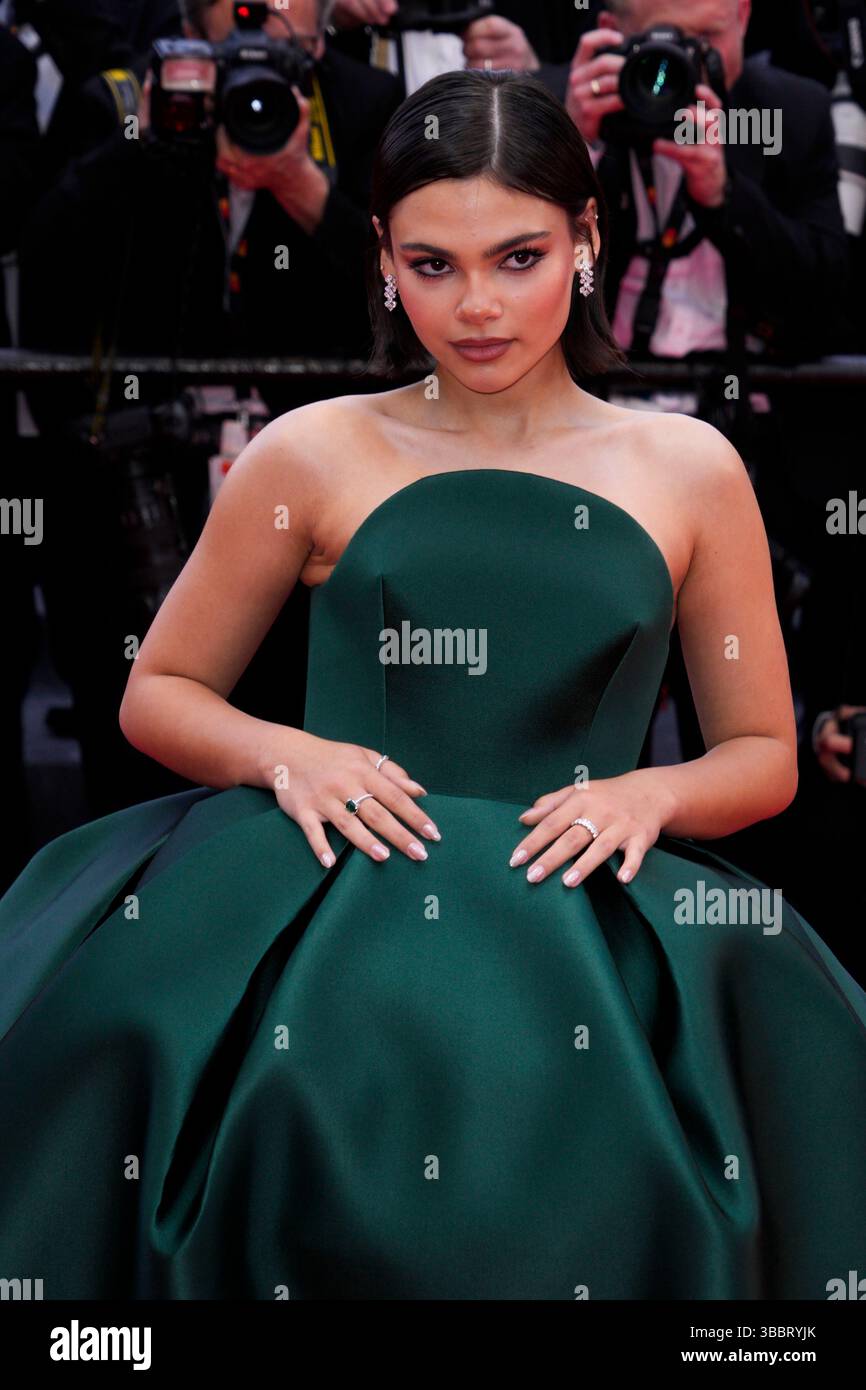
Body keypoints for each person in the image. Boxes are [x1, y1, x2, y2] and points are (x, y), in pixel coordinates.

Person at [1, 67, 865, 1302]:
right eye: (431, 264)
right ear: (380, 256)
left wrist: (648, 799)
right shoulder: (311, 448)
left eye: (516, 258)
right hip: (328, 903)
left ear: (586, 239)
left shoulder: (690, 467)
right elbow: (163, 689)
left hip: (584, 915)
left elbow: (761, 757)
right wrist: (284, 754)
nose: (474, 308)